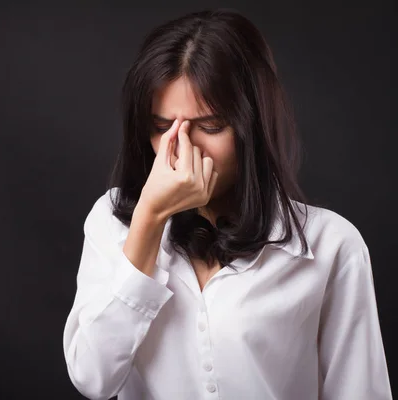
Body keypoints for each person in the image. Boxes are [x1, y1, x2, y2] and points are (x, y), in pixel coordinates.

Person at [62, 8, 392, 400]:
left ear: (250, 126)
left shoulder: (330, 244)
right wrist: (150, 218)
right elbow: (92, 378)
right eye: (162, 127)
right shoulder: (111, 221)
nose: (181, 149)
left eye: (210, 127)